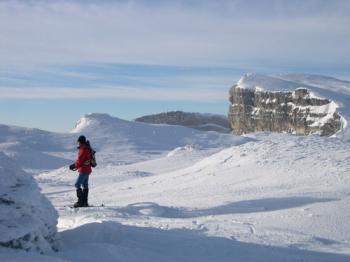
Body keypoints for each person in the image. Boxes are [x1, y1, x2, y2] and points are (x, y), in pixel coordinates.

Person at [69, 135, 93, 208]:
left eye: (79, 142)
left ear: (81, 142)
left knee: (77, 184)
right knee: (85, 185)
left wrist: (73, 165)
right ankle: (85, 202)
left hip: (84, 170)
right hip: (87, 169)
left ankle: (80, 202)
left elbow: (80, 161)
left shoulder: (83, 149)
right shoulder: (88, 148)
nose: (78, 143)